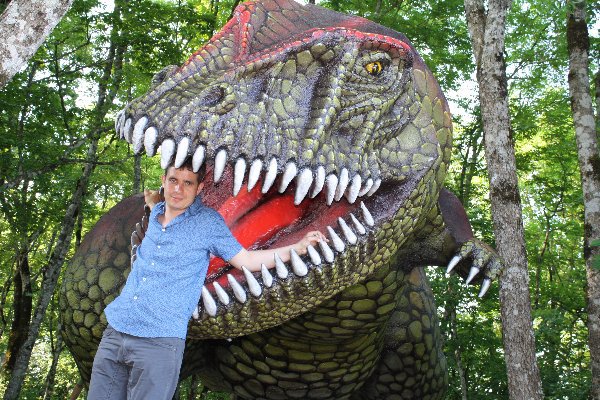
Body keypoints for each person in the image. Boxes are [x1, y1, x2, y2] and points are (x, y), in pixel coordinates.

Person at [88, 157, 327, 400]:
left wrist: (297, 248)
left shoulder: (208, 223)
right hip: (117, 330)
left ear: (199, 187)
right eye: (173, 180)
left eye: (188, 183)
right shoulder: (158, 211)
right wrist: (152, 201)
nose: (178, 189)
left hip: (158, 341)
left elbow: (246, 260)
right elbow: (156, 202)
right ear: (164, 180)